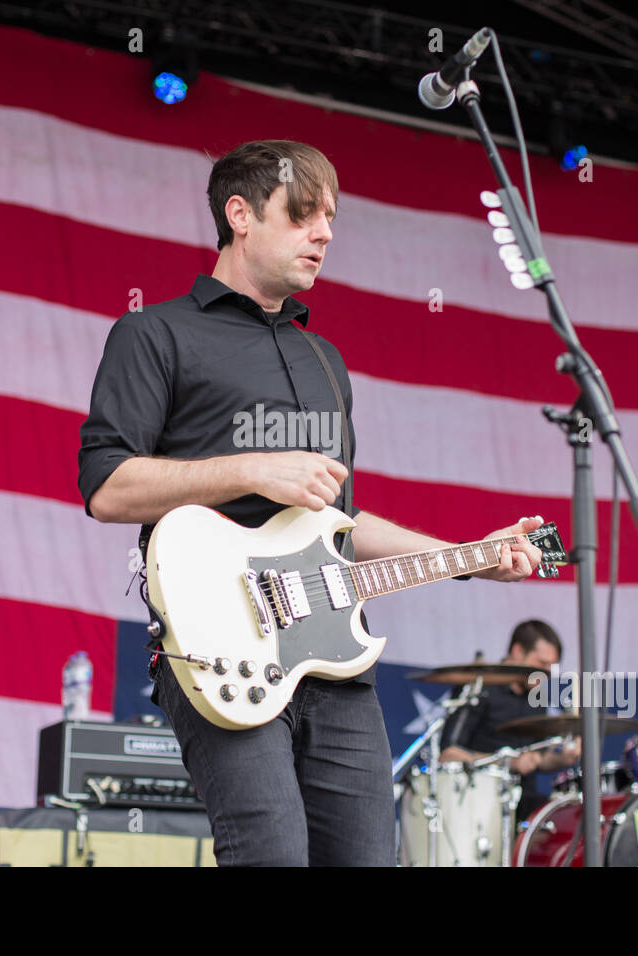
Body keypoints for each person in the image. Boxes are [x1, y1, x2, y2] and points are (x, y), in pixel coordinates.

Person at [77, 140, 545, 866]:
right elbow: (108, 489)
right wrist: (253, 468)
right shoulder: (155, 333)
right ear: (239, 213)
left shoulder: (324, 359)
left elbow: (339, 531)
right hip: (220, 647)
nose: (324, 232)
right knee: (270, 855)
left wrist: (470, 560)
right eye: (302, 213)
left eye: (330, 218)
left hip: (335, 662)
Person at [439, 619, 580, 820]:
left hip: (523, 805)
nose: (547, 672)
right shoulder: (479, 687)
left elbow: (536, 759)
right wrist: (507, 763)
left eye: (551, 666)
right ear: (517, 651)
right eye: (541, 663)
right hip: (476, 803)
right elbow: (448, 754)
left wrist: (561, 759)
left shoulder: (538, 697)